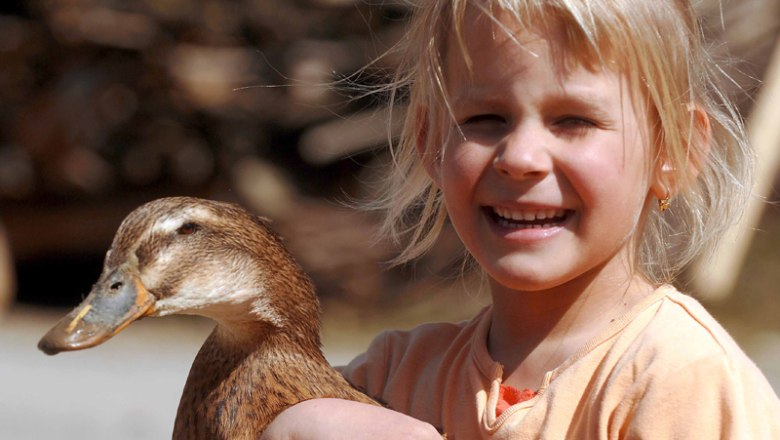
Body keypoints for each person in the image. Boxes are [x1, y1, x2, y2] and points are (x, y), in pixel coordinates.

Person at [262, 0, 780, 438]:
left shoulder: (679, 378)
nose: (520, 156)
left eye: (574, 120)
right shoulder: (392, 377)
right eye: (485, 118)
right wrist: (292, 423)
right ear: (430, 142)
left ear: (676, 151)